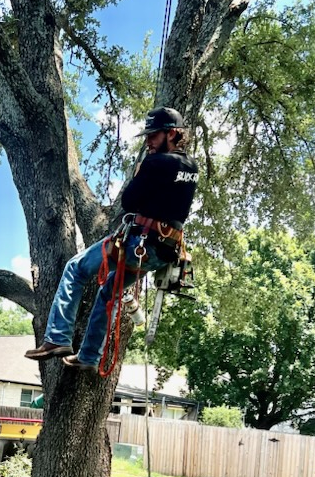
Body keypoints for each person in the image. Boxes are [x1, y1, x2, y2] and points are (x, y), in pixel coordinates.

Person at [25, 106, 198, 373]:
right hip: (161, 253)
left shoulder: (155, 163)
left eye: (153, 136)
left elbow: (129, 201)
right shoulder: (191, 167)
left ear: (172, 133)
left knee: (75, 268)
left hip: (138, 243)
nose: (148, 141)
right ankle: (89, 356)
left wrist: (141, 172)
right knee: (110, 293)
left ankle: (57, 339)